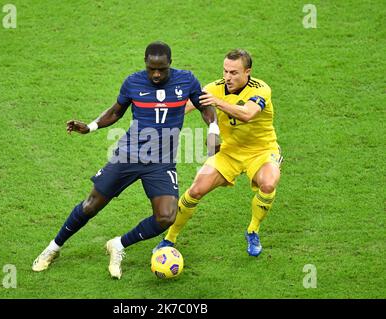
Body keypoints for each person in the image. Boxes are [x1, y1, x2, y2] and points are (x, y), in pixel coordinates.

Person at [32, 41, 218, 279]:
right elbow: (115, 112)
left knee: (166, 217)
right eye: (152, 69)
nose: (157, 74)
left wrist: (213, 128)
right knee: (91, 205)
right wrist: (89, 127)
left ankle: (118, 245)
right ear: (146, 64)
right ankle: (53, 248)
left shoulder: (187, 80)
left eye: (162, 69)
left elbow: (206, 107)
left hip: (161, 162)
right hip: (128, 154)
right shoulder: (133, 82)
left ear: (170, 64)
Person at [154, 49, 283, 257]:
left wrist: (217, 102)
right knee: (196, 190)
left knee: (268, 183)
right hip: (228, 152)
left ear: (247, 72)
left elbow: (248, 114)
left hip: (261, 151)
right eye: (225, 71)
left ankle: (252, 231)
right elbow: (183, 107)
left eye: (234, 73)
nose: (227, 77)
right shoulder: (213, 88)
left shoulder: (261, 89)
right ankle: (169, 238)